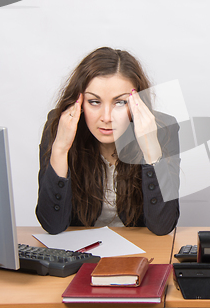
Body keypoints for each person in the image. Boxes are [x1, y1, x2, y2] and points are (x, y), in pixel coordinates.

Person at [36, 47, 180, 235]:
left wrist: (151, 149)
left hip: (141, 253)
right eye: (94, 102)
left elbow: (163, 226)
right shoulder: (60, 126)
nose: (106, 117)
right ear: (78, 103)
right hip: (81, 256)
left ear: (138, 103)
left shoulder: (163, 129)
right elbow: (52, 225)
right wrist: (60, 149)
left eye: (120, 102)